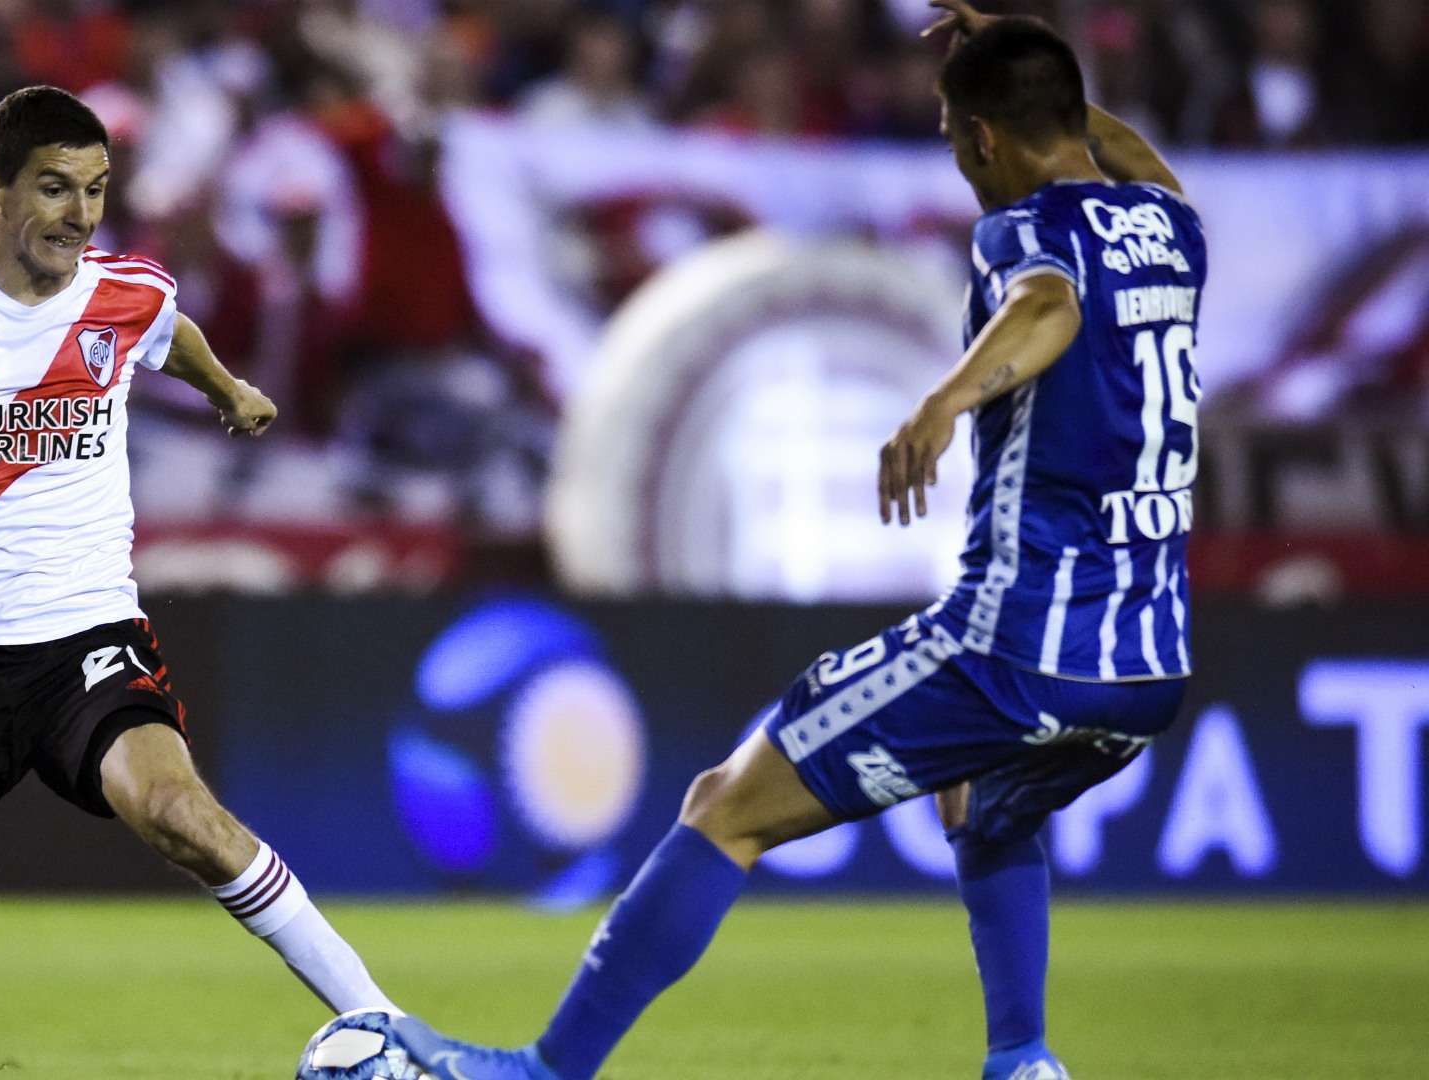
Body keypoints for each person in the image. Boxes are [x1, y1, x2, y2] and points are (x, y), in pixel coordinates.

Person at [391, 3, 1203, 1078]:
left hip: (1016, 647)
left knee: (723, 807)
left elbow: (1047, 307)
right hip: (1148, 667)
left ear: (985, 141)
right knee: (987, 806)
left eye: (960, 138)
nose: (961, 163)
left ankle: (543, 1072)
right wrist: (1024, 65)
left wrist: (946, 400)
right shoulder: (1171, 228)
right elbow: (1128, 164)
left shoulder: (1024, 232)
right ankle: (1024, 1061)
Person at [0, 86, 395, 1079]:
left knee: (188, 819)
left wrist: (227, 388)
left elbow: (165, 328)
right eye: (54, 189)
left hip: (86, 640)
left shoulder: (123, 290)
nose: (80, 214)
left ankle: (398, 1034)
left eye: (96, 190)